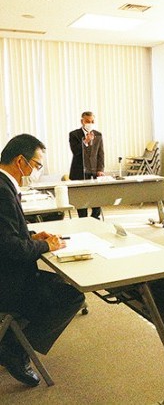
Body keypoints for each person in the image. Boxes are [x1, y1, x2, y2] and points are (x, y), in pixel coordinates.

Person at [0, 134, 85, 387]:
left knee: (57, 282)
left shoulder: (4, 186)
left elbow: (7, 233)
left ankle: (11, 340)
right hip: (7, 282)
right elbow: (11, 249)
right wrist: (46, 245)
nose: (37, 171)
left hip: (6, 272)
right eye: (37, 165)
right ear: (20, 161)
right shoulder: (3, 191)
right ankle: (13, 349)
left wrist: (32, 237)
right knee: (72, 296)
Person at [69, 111, 105, 218]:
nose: (90, 123)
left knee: (96, 198)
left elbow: (100, 153)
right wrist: (85, 141)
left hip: (94, 171)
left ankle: (95, 217)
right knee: (81, 199)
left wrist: (100, 169)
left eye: (92, 121)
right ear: (82, 121)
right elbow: (75, 151)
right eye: (88, 121)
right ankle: (83, 219)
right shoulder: (74, 134)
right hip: (79, 171)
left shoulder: (98, 134)